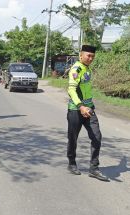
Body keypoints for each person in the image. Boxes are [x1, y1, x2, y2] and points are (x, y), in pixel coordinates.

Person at [66, 45, 109, 181]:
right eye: (88, 56)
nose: (90, 58)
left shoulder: (88, 69)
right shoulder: (76, 69)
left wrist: (87, 107)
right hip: (75, 110)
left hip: (89, 109)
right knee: (73, 138)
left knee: (97, 137)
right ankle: (72, 163)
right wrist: (80, 106)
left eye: (92, 57)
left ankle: (94, 168)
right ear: (81, 55)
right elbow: (71, 89)